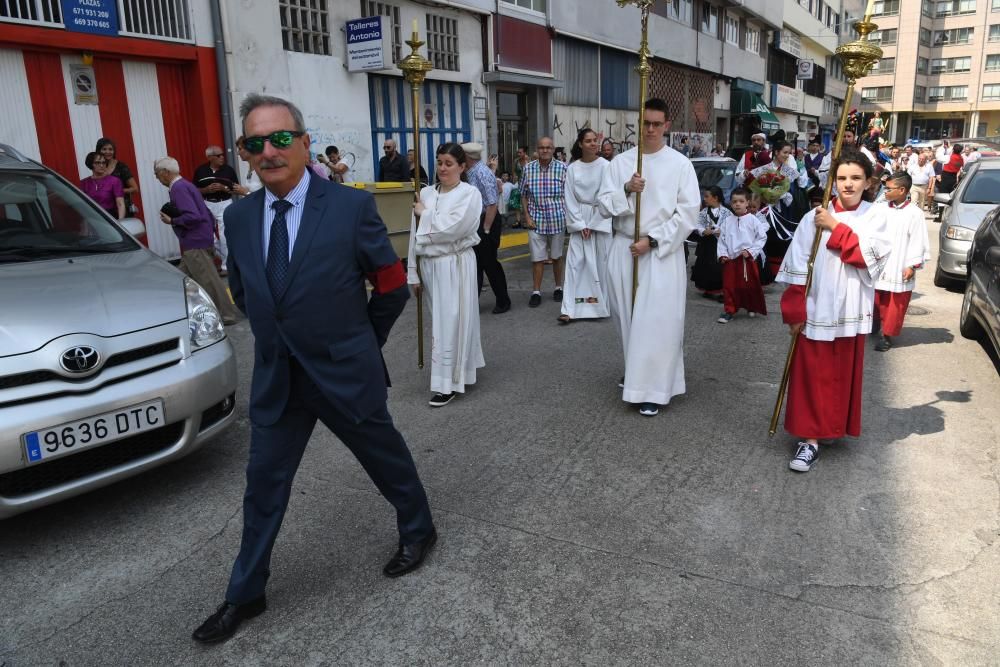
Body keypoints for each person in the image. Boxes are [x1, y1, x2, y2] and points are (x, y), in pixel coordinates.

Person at [191, 94, 436, 644]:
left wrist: (362, 343)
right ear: (245, 154)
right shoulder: (240, 215)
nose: (270, 151)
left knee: (384, 457)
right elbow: (245, 291)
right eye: (256, 143)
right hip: (281, 377)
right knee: (263, 486)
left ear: (304, 142)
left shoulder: (348, 207)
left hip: (345, 370)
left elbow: (393, 284)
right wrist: (277, 334)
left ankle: (419, 528)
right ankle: (245, 593)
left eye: (281, 138)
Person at [775, 148, 892, 473]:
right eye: (842, 178)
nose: (848, 184)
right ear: (832, 180)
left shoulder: (876, 215)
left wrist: (836, 228)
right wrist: (794, 309)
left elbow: (871, 259)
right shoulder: (814, 218)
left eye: (856, 178)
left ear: (868, 182)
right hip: (817, 309)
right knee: (812, 375)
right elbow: (797, 265)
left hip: (851, 312)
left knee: (839, 376)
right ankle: (809, 440)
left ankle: (829, 428)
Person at [597, 98, 700, 417]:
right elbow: (602, 205)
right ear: (638, 124)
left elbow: (687, 212)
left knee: (657, 321)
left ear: (667, 125)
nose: (651, 129)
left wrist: (654, 240)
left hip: (659, 252)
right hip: (624, 246)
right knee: (628, 317)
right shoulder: (620, 163)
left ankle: (654, 389)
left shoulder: (680, 164)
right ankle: (637, 373)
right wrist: (627, 189)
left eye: (657, 123)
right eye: (646, 123)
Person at [406, 143, 484, 406]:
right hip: (430, 265)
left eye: (449, 163)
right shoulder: (425, 193)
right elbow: (413, 234)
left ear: (462, 167)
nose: (442, 168)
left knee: (451, 320)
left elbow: (454, 228)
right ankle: (457, 369)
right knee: (440, 321)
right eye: (439, 162)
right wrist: (413, 273)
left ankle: (447, 382)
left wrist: (425, 215)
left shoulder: (469, 194)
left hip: (455, 263)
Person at [153, 157, 241, 326]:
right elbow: (205, 213)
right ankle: (181, 315)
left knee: (210, 282)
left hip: (194, 243)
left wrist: (172, 221)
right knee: (181, 281)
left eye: (157, 174)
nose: (157, 178)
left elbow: (193, 216)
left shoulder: (178, 188)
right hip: (196, 241)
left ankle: (226, 315)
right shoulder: (185, 185)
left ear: (165, 172)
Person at [873, 172, 930, 352]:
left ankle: (887, 335)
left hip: (900, 262)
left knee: (895, 303)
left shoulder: (915, 213)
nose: (885, 191)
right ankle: (875, 325)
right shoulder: (880, 208)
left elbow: (917, 240)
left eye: (889, 188)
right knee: (877, 298)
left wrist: (912, 265)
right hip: (880, 262)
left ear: (902, 190)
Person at [559, 128, 611, 324]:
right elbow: (569, 197)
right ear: (580, 144)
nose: (593, 144)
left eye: (594, 140)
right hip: (579, 217)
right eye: (588, 141)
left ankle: (600, 306)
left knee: (600, 264)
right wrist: (580, 224)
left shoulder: (606, 166)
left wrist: (595, 222)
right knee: (575, 264)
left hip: (600, 216)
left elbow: (608, 195)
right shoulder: (572, 168)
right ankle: (569, 309)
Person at [463, 142, 512, 314]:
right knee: (475, 263)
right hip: (477, 220)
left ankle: (503, 301)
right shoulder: (470, 171)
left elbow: (492, 203)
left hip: (486, 221)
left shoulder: (481, 172)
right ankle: (471, 304)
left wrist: (485, 230)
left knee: (489, 263)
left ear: (467, 156)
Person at [520, 136, 568, 307]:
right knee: (537, 259)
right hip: (536, 220)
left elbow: (568, 195)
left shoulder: (563, 168)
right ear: (537, 149)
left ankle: (558, 287)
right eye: (541, 147)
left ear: (553, 149)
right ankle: (536, 292)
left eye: (548, 147)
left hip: (557, 219)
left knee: (556, 257)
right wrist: (527, 216)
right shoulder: (528, 169)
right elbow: (524, 195)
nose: (545, 150)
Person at [716, 187, 769, 323]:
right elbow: (721, 239)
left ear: (747, 203)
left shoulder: (753, 220)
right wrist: (722, 254)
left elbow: (761, 237)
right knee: (729, 286)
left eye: (741, 201)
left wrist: (751, 251)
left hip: (747, 259)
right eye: (734, 202)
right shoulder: (727, 221)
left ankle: (751, 306)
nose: (737, 204)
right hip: (731, 259)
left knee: (749, 285)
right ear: (731, 203)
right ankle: (729, 310)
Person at [194, 146, 245, 275]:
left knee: (224, 235)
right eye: (218, 155)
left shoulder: (228, 170)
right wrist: (206, 190)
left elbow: (236, 188)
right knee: (208, 235)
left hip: (225, 203)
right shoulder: (200, 171)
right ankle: (221, 260)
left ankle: (226, 266)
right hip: (207, 204)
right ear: (210, 157)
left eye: (222, 155)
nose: (222, 157)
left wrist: (223, 188)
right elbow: (194, 190)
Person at [690, 184, 728, 301]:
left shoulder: (726, 212)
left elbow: (730, 226)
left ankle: (723, 291)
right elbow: (697, 224)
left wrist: (721, 231)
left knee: (719, 268)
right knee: (706, 266)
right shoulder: (703, 212)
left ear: (715, 198)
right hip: (707, 244)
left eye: (707, 196)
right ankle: (708, 289)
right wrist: (702, 231)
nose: (704, 199)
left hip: (720, 244)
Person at [95, 138, 139, 216]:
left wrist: (117, 191)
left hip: (122, 209)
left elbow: (135, 189)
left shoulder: (121, 167)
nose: (107, 152)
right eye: (104, 149)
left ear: (114, 151)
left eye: (110, 149)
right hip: (104, 210)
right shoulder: (97, 167)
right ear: (98, 150)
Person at [80, 151, 125, 219]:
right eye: (98, 162)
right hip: (92, 220)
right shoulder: (84, 183)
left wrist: (121, 222)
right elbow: (82, 206)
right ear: (91, 164)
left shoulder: (114, 181)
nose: (101, 165)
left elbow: (120, 204)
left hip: (110, 218)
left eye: (103, 162)